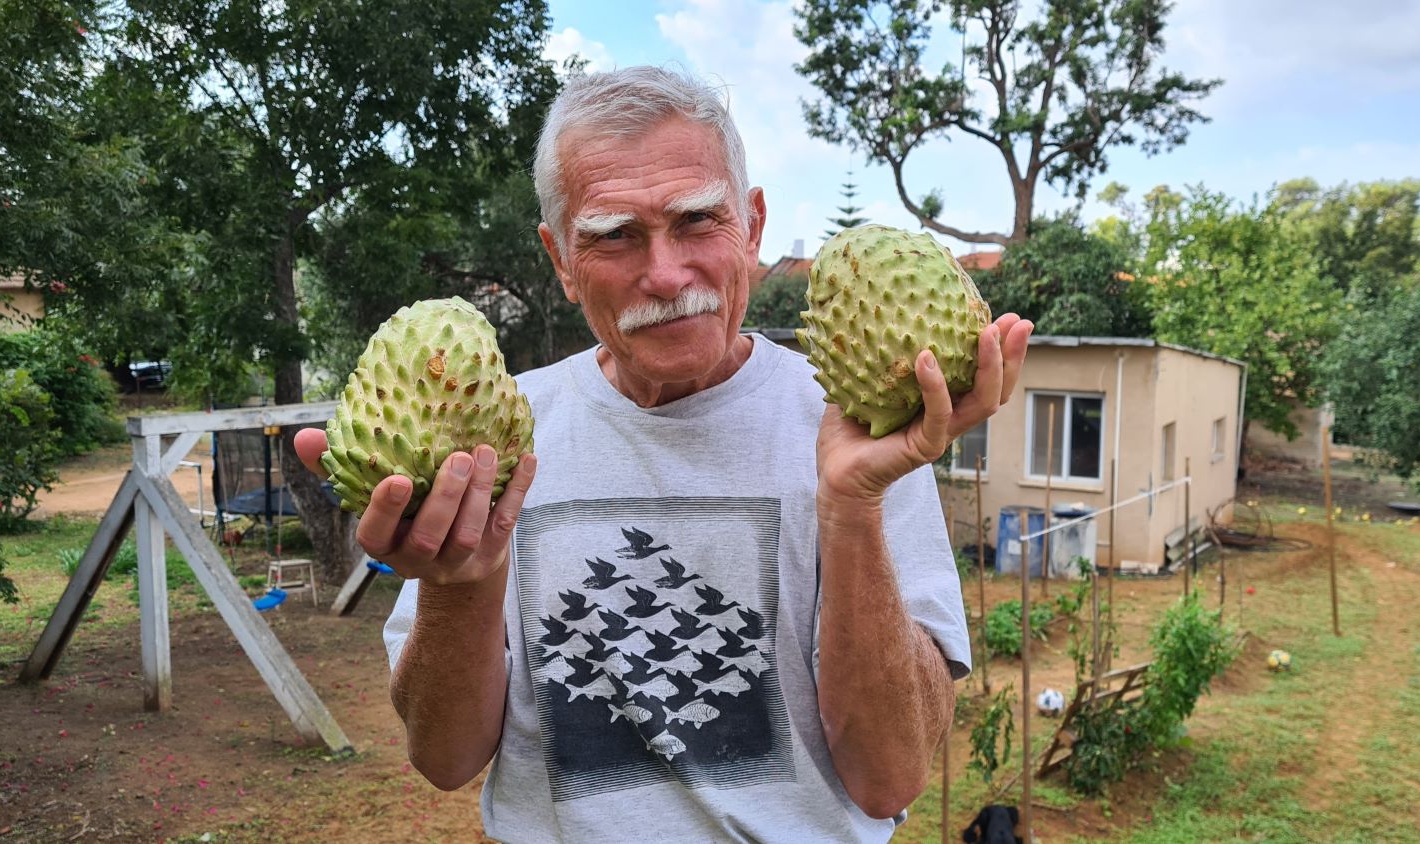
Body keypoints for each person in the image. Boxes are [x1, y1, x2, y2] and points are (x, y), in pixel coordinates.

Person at [295, 65, 1032, 842]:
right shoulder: (498, 439)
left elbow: (890, 781)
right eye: (614, 235)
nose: (665, 274)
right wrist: (457, 587)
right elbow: (446, 760)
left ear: (751, 227)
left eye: (696, 221)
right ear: (559, 260)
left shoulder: (859, 430)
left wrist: (850, 510)